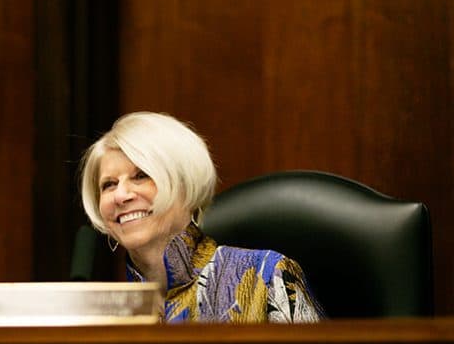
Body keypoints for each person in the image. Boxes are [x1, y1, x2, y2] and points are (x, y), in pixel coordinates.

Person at [79, 111, 323, 323]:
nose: (120, 195)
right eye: (109, 184)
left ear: (186, 184)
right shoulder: (104, 311)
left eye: (141, 175)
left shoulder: (269, 276)